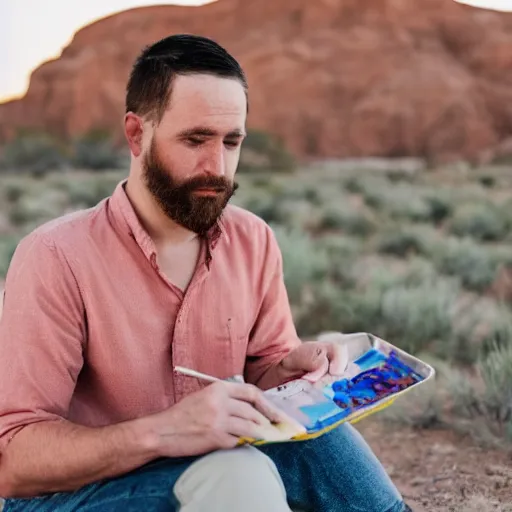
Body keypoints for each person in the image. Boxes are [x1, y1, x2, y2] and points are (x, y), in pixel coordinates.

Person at [0, 34, 411, 512]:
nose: (217, 167)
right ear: (136, 135)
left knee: (320, 440)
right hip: (76, 497)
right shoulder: (56, 256)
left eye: (231, 141)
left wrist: (294, 367)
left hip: (212, 471)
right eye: (195, 139)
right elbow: (15, 459)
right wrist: (165, 431)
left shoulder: (252, 240)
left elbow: (264, 369)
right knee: (239, 475)